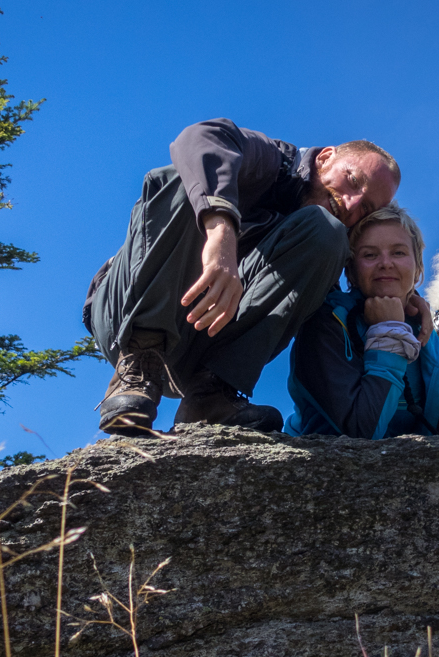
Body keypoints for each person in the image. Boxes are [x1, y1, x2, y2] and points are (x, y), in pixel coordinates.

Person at [83, 118, 401, 436]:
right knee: (189, 174)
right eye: (353, 180)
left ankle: (210, 395)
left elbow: (339, 311)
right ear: (324, 157)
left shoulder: (321, 243)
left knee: (328, 234)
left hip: (200, 342)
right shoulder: (275, 162)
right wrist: (220, 232)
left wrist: (400, 310)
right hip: (125, 315)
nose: (352, 203)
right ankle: (139, 362)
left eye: (367, 207)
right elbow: (199, 137)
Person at [284, 205, 439, 439]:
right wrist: (389, 332)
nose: (385, 263)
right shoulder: (326, 323)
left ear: (418, 268)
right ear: (352, 272)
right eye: (369, 254)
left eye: (398, 253)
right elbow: (361, 431)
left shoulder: (435, 339)